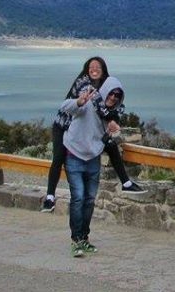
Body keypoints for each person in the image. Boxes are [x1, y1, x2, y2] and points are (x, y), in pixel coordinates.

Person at [41, 56, 143, 213]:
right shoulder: (83, 83)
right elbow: (98, 107)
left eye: (98, 67)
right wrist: (110, 118)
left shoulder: (108, 88)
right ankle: (49, 197)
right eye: (91, 67)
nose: (94, 70)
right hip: (64, 125)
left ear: (103, 71)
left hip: (85, 130)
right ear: (87, 70)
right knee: (59, 157)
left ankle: (126, 183)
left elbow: (114, 108)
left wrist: (113, 120)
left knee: (110, 145)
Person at [60, 75, 124, 257]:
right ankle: (76, 241)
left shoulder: (110, 117)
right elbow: (64, 107)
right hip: (74, 156)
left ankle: (84, 238)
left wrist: (112, 133)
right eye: (111, 93)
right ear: (105, 92)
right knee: (78, 198)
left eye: (117, 96)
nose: (113, 98)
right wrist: (79, 102)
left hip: (93, 159)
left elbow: (105, 140)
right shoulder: (88, 104)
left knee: (89, 200)